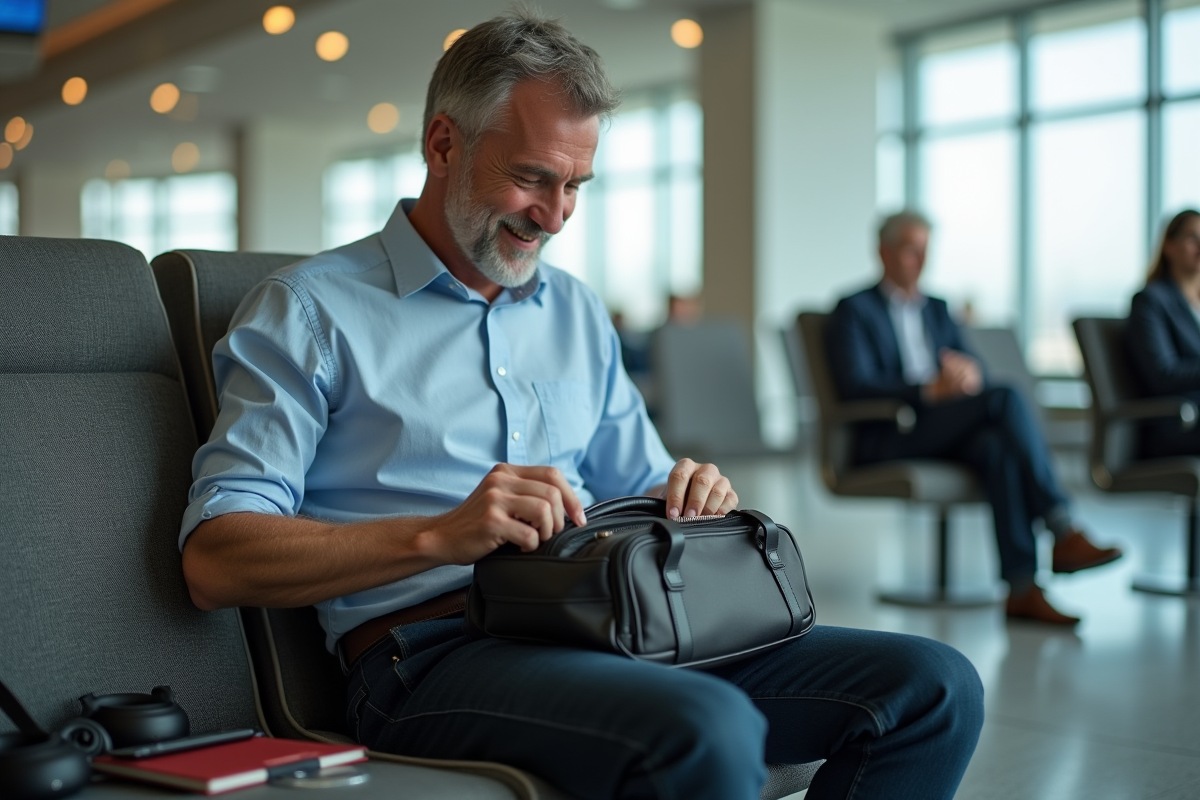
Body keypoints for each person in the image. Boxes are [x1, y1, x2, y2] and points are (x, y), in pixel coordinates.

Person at [178, 15, 983, 800]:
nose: (556, 215)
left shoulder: (573, 310)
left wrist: (690, 489)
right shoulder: (309, 311)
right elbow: (215, 559)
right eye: (531, 177)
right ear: (442, 143)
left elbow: (640, 476)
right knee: (707, 728)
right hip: (430, 655)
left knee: (935, 686)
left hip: (612, 618)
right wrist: (439, 534)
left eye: (575, 186)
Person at [826, 211, 1123, 626]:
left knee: (997, 447)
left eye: (926, 250)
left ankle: (1021, 589)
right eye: (912, 249)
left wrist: (969, 374)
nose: (921, 259)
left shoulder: (938, 309)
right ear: (883, 252)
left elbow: (972, 366)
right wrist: (926, 390)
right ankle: (1061, 525)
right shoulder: (853, 309)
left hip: (944, 425)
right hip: (893, 430)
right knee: (1004, 398)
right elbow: (855, 385)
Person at [1126, 209, 1200, 458]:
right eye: (1192, 238)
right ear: (1169, 247)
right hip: (1178, 422)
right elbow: (1163, 374)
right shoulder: (1150, 301)